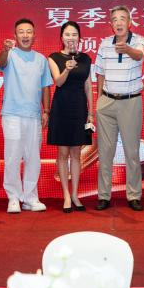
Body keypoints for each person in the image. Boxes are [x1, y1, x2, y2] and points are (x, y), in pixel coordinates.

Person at [93, 5, 144, 211]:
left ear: (129, 22)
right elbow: (100, 73)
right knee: (105, 152)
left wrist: (127, 49)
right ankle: (103, 195)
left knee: (131, 151)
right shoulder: (105, 44)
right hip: (107, 102)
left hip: (130, 102)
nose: (118, 23)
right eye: (115, 19)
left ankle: (133, 195)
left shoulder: (139, 40)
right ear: (110, 24)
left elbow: (138, 55)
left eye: (122, 19)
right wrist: (99, 101)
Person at [0, 18, 53, 214]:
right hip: (12, 114)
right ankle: (13, 197)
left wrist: (46, 111)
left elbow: (46, 87)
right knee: (12, 157)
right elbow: (1, 62)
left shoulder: (41, 59)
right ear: (15, 35)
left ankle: (30, 197)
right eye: (21, 32)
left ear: (34, 35)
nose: (25, 35)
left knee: (33, 158)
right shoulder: (10, 54)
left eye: (29, 32)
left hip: (34, 115)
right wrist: (5, 49)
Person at [47, 21, 93, 213]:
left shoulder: (86, 59)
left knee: (76, 154)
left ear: (79, 38)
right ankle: (65, 195)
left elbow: (88, 86)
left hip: (79, 108)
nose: (71, 38)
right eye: (67, 34)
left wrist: (91, 112)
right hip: (61, 108)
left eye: (74, 34)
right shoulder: (54, 58)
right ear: (61, 37)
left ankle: (75, 194)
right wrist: (67, 68)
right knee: (63, 153)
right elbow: (58, 82)